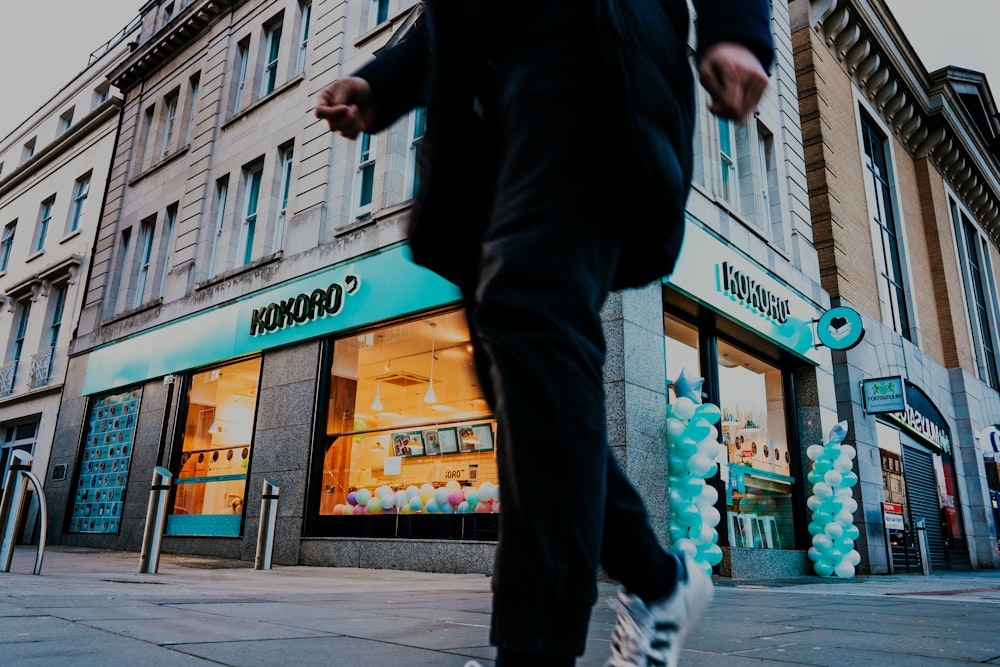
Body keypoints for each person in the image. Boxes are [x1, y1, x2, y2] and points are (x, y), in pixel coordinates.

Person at [316, 1, 773, 665]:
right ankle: (658, 580)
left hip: (589, 58)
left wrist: (738, 30)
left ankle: (537, 648)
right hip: (483, 132)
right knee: (523, 383)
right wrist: (382, 82)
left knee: (534, 321)